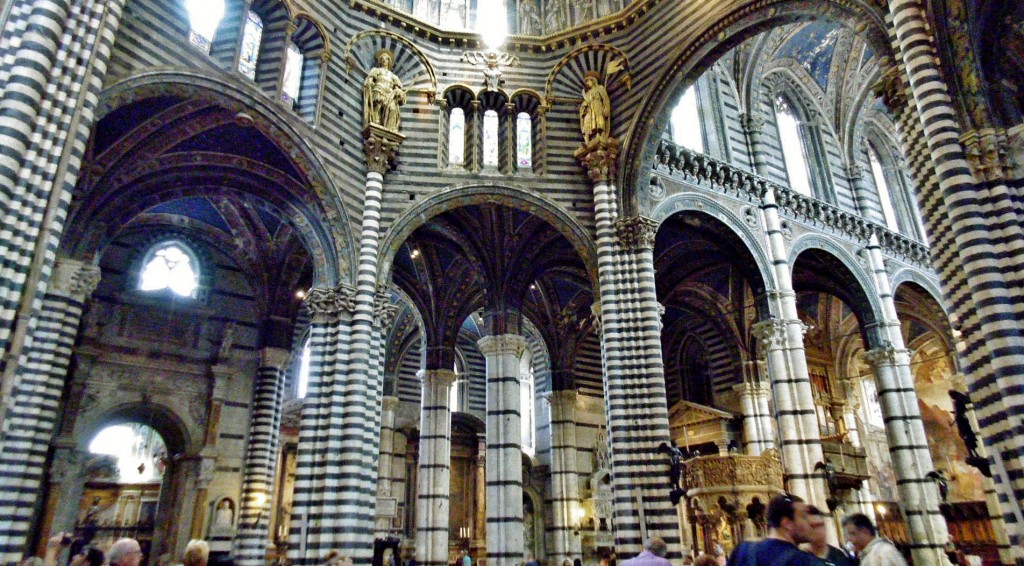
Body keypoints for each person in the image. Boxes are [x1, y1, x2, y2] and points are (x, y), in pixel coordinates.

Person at [726, 493, 819, 565]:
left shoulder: (743, 550)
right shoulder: (804, 561)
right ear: (787, 523)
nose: (811, 523)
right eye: (804, 517)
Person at [363, 49, 406, 132]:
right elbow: (370, 80)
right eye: (382, 59)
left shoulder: (393, 76)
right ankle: (376, 124)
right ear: (380, 61)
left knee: (392, 108)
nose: (384, 60)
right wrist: (370, 83)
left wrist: (399, 93)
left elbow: (397, 88)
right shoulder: (376, 70)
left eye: (386, 59)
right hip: (378, 90)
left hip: (390, 94)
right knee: (378, 108)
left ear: (389, 61)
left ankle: (389, 128)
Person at [842, 513, 907, 566]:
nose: (848, 540)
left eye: (852, 534)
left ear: (865, 531)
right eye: (846, 535)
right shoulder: (870, 553)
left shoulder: (880, 554)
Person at [579, 70, 611, 145]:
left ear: (593, 80)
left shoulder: (600, 88)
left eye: (588, 81)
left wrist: (606, 108)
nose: (587, 83)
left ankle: (600, 135)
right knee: (587, 121)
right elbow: (587, 101)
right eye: (586, 82)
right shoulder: (588, 92)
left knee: (598, 121)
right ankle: (587, 140)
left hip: (598, 107)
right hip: (590, 109)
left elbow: (605, 99)